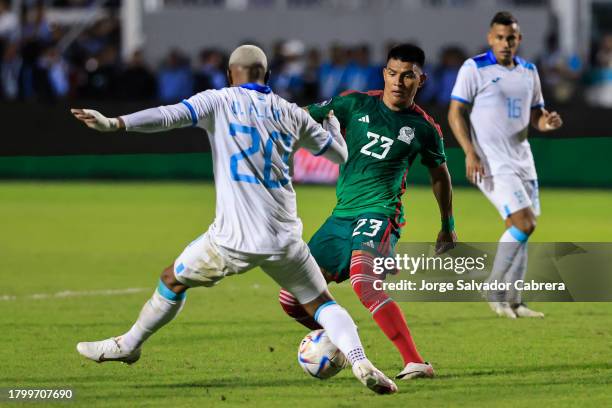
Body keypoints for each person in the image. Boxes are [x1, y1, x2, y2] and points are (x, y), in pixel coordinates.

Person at [70, 44, 397, 395]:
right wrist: (332, 127)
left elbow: (167, 115)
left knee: (172, 280)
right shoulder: (290, 112)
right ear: (268, 76)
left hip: (231, 240)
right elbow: (339, 155)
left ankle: (129, 345)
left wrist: (116, 123)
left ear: (230, 75)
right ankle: (359, 359)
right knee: (322, 304)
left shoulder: (219, 100)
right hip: (284, 239)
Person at [278, 44, 457, 380]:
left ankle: (415, 361)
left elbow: (440, 176)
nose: (398, 81)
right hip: (341, 217)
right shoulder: (354, 103)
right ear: (384, 73)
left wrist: (447, 226)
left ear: (421, 79)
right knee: (290, 297)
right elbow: (301, 116)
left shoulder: (423, 128)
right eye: (392, 73)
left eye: (408, 75)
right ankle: (341, 340)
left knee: (364, 283)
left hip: (380, 213)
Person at [448, 12, 563, 318]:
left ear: (519, 40)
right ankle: (494, 286)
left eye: (510, 38)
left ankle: (515, 300)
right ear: (490, 38)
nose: (505, 43)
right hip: (491, 161)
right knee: (525, 223)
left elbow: (536, 114)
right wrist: (469, 152)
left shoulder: (528, 71)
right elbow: (455, 112)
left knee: (520, 228)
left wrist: (546, 122)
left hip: (523, 160)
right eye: (499, 37)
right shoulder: (475, 67)